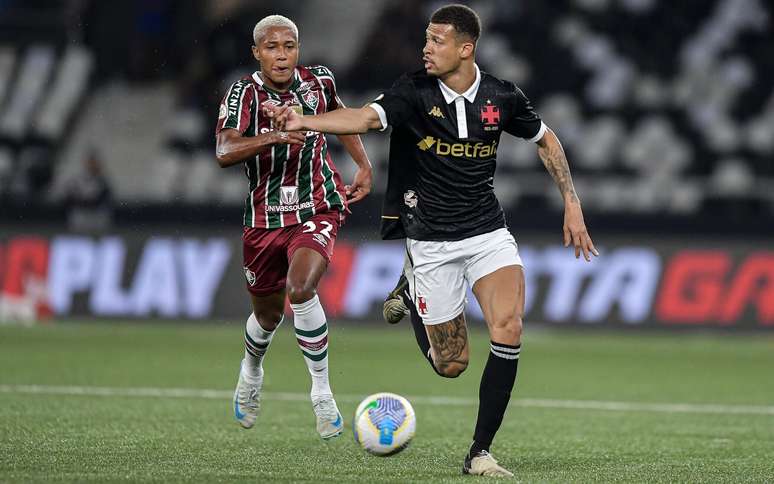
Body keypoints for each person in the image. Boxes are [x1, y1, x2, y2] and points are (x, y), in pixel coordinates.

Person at [265, 4, 598, 476]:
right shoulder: (412, 92)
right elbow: (363, 118)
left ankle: (479, 453)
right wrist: (305, 122)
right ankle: (413, 289)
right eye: (426, 39)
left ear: (466, 48)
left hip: (487, 232)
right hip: (430, 242)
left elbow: (546, 139)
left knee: (509, 327)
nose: (426, 48)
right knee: (451, 365)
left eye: (437, 40)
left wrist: (572, 201)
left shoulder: (502, 96)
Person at [214, 14, 373, 440]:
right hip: (264, 218)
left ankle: (322, 394)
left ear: (298, 49)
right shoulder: (243, 92)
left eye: (288, 46)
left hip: (317, 204)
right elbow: (224, 149)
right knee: (266, 317)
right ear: (256, 53)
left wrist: (361, 162)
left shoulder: (318, 81)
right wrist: (272, 137)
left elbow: (341, 116)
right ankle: (250, 372)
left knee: (301, 288)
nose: (281, 55)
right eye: (271, 47)